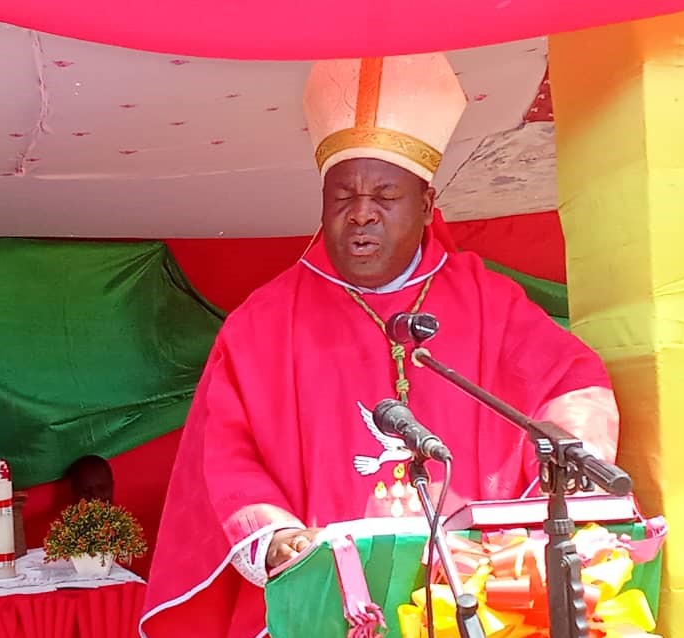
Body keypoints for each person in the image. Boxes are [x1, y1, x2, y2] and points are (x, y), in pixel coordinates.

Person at [140, 53, 620, 638]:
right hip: (328, 599)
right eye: (342, 197)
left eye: (385, 196)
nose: (361, 215)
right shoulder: (262, 324)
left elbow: (571, 382)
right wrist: (275, 533)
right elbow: (224, 452)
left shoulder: (490, 303)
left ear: (426, 203)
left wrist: (565, 463)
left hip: (474, 589)